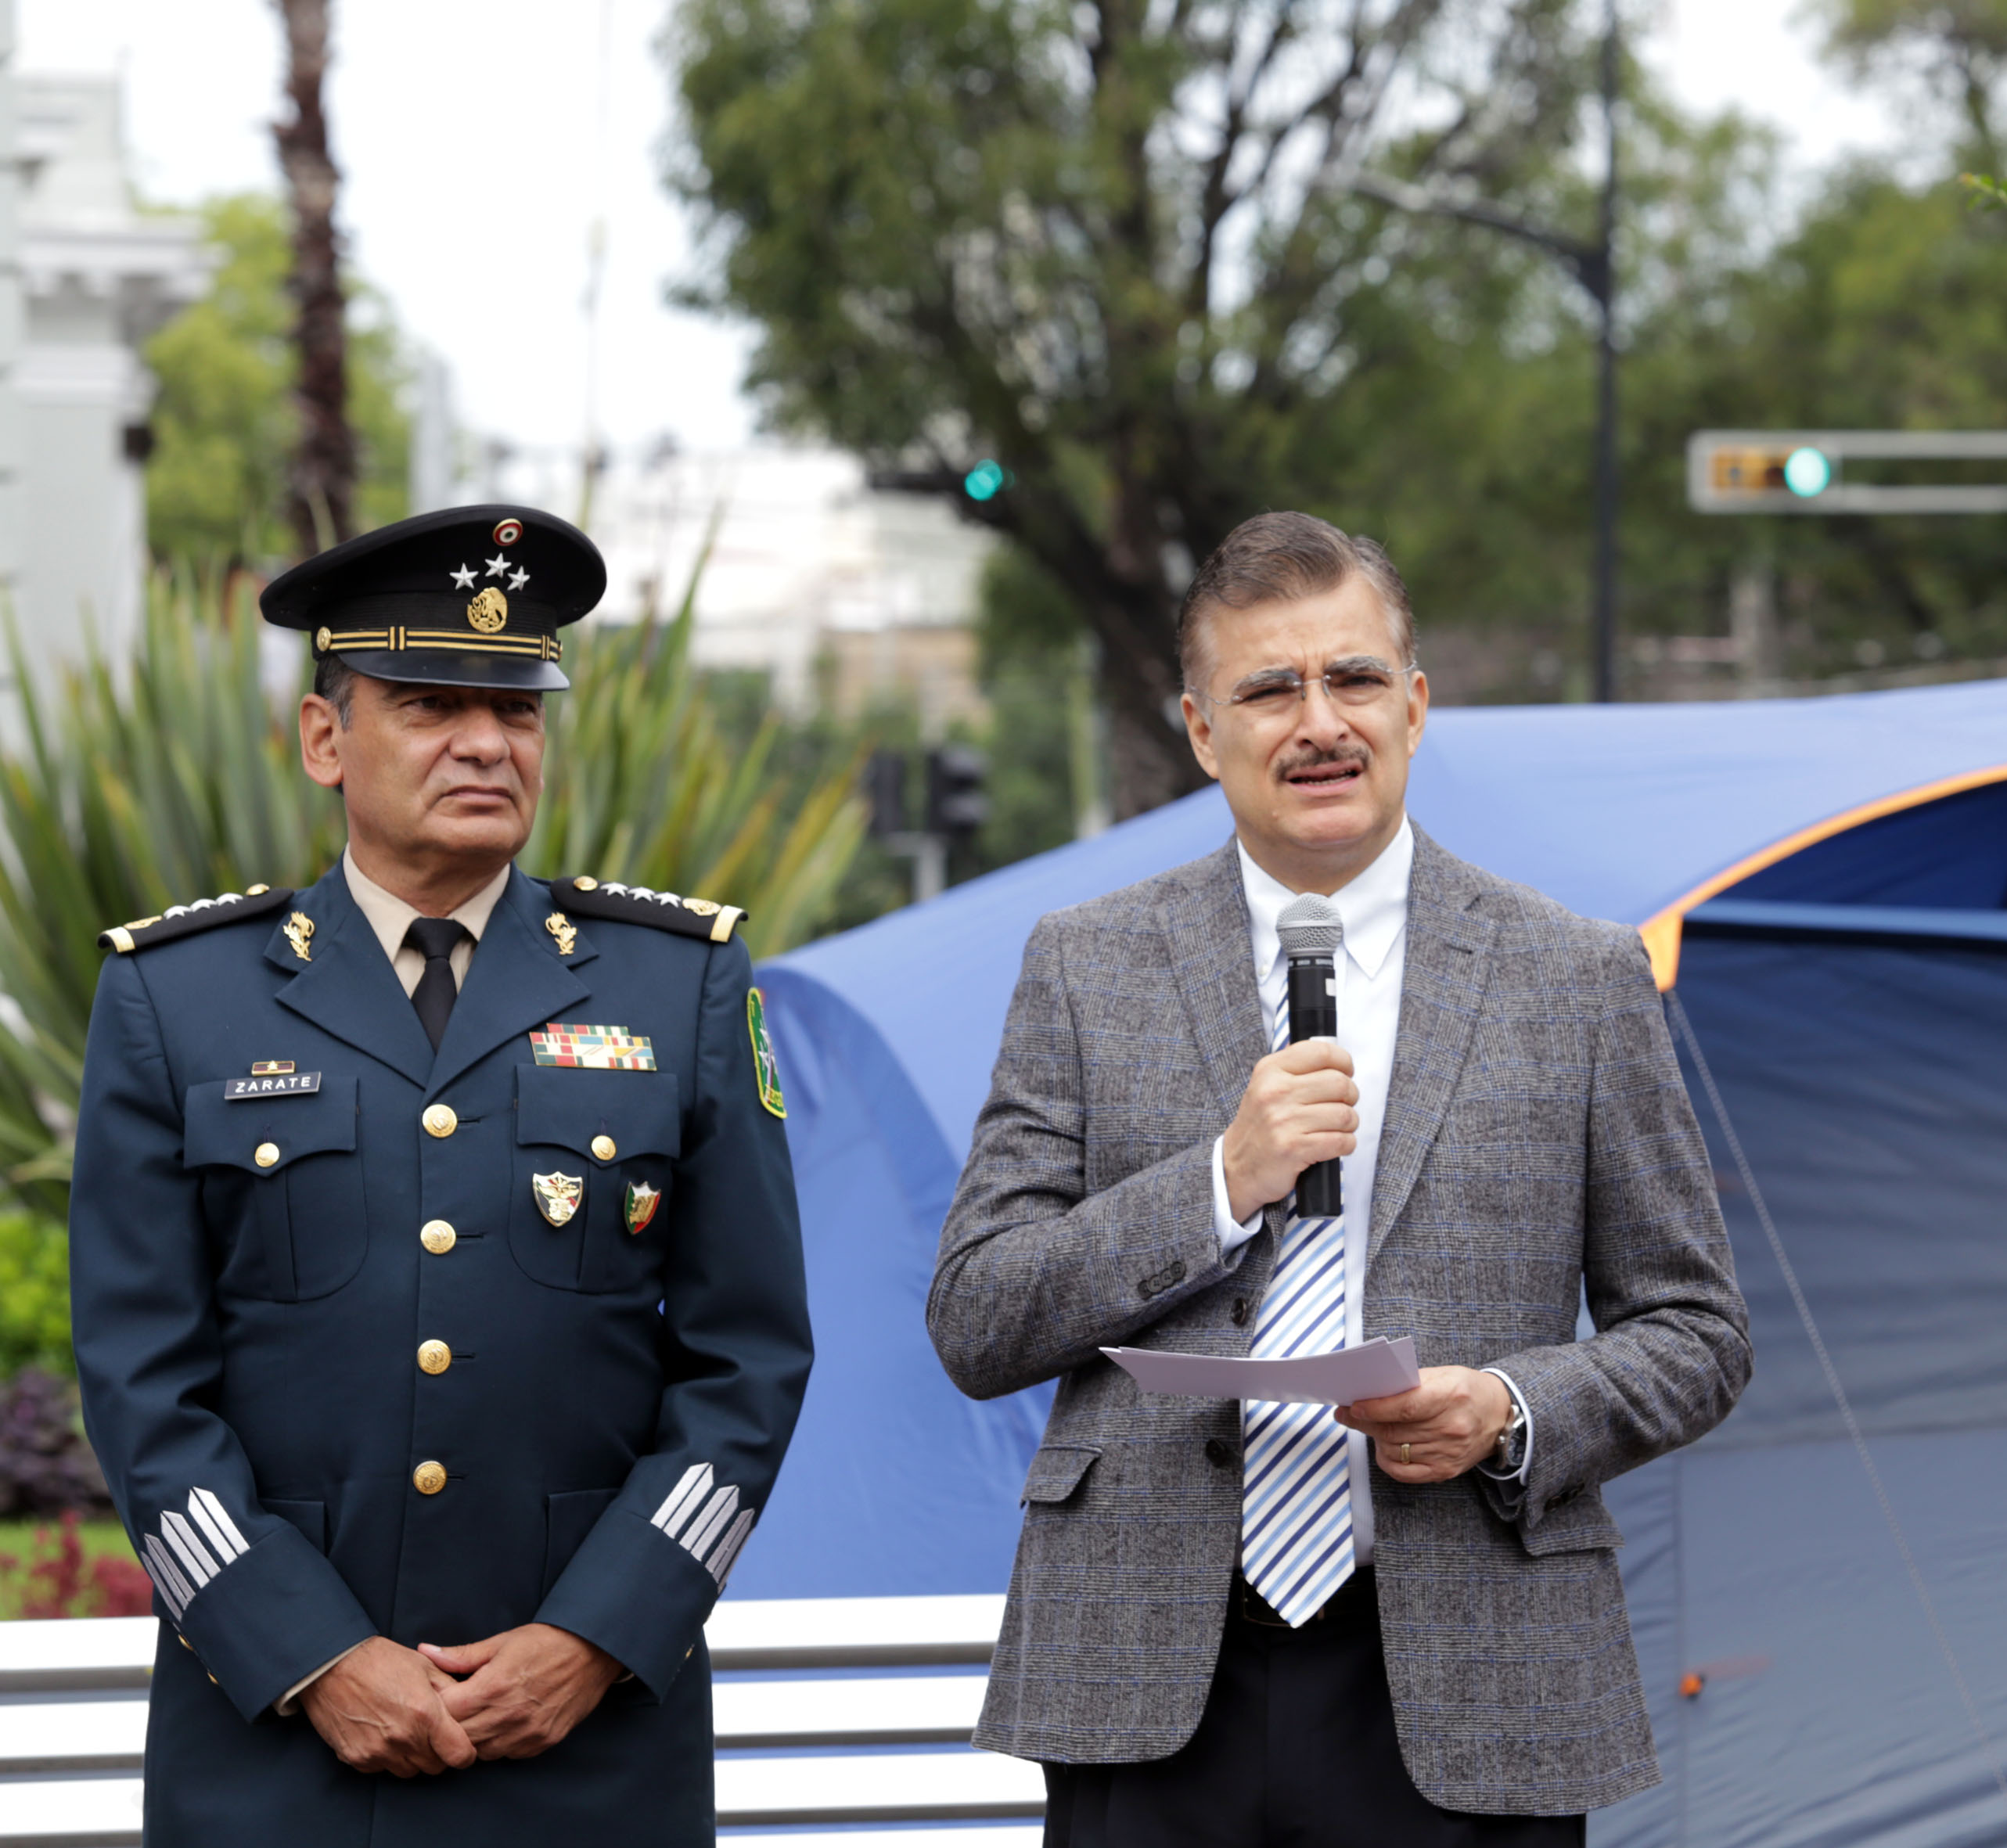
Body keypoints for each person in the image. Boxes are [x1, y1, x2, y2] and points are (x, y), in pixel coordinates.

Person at [933, 510, 1750, 1844]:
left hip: (1474, 1669)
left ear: (1416, 706)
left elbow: (1699, 1333)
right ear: (1203, 730)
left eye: (1354, 678)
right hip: (1148, 1670)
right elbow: (977, 1314)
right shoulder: (1087, 964)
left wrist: (1509, 1405)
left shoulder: (1577, 976)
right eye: (1270, 687)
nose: (1321, 721)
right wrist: (1214, 1181)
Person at [67, 504, 815, 1846]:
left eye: (518, 709)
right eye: (428, 703)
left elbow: (747, 1366)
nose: (487, 741)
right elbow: (140, 1390)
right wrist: (308, 1654)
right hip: (275, 1747)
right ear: (324, 738)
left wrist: (598, 1632)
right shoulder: (176, 1002)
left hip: (590, 1750)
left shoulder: (679, 982)